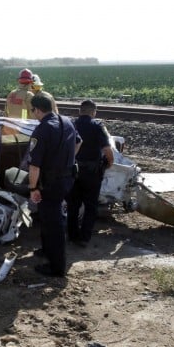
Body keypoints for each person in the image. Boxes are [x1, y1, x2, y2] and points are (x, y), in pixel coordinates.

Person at [27, 92, 81, 277]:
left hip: (50, 184)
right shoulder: (67, 121)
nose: (33, 114)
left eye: (33, 110)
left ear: (38, 110)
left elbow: (34, 165)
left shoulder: (42, 129)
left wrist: (33, 189)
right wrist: (66, 159)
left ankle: (57, 267)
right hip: (67, 179)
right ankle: (46, 250)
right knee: (49, 217)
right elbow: (78, 142)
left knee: (53, 223)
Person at [66, 99, 114, 247]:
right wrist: (109, 164)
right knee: (90, 206)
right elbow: (107, 149)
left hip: (74, 171)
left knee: (73, 205)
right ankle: (84, 237)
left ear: (80, 111)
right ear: (94, 112)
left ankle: (72, 235)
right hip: (92, 173)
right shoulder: (98, 126)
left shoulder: (71, 124)